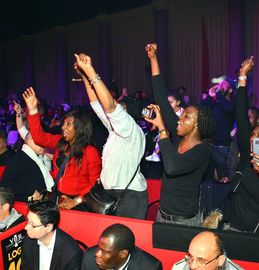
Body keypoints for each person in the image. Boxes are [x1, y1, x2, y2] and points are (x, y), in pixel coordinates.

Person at [145, 43, 216, 226]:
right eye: (182, 114)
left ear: (197, 126)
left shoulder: (203, 150)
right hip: (162, 215)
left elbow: (172, 167)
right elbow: (161, 97)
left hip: (184, 222)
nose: (180, 118)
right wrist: (153, 58)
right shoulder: (177, 137)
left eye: (186, 117)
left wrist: (162, 129)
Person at [74, 53, 147, 219]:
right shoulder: (116, 128)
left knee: (125, 242)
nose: (114, 106)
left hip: (130, 197)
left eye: (120, 106)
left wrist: (90, 71)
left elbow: (109, 106)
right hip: (112, 193)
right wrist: (84, 76)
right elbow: (96, 104)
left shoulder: (130, 129)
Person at [23, 88, 101, 210]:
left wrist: (77, 200)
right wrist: (33, 110)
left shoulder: (90, 151)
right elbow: (39, 138)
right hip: (59, 198)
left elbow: (94, 183)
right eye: (64, 123)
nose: (63, 127)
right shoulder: (61, 143)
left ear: (79, 127)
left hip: (79, 203)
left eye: (68, 124)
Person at [223, 56, 259, 235]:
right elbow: (241, 115)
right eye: (253, 134)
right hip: (230, 227)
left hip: (254, 236)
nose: (253, 139)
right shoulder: (247, 157)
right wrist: (242, 76)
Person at [21, 200, 83, 270]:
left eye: (33, 225)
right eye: (27, 221)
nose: (26, 228)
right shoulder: (29, 239)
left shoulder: (71, 253)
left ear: (48, 227)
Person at [81, 223, 162, 270]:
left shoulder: (150, 268)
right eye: (99, 248)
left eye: (105, 251)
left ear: (122, 254)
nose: (97, 254)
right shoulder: (89, 258)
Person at [0, 132, 49, 202]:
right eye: (40, 141)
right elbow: (5, 185)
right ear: (30, 141)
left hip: (39, 203)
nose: (44, 144)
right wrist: (31, 191)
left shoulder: (39, 158)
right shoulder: (18, 159)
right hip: (25, 206)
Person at [171, 231, 243, 270]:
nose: (192, 266)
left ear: (220, 260)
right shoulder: (179, 267)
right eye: (191, 257)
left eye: (201, 260)